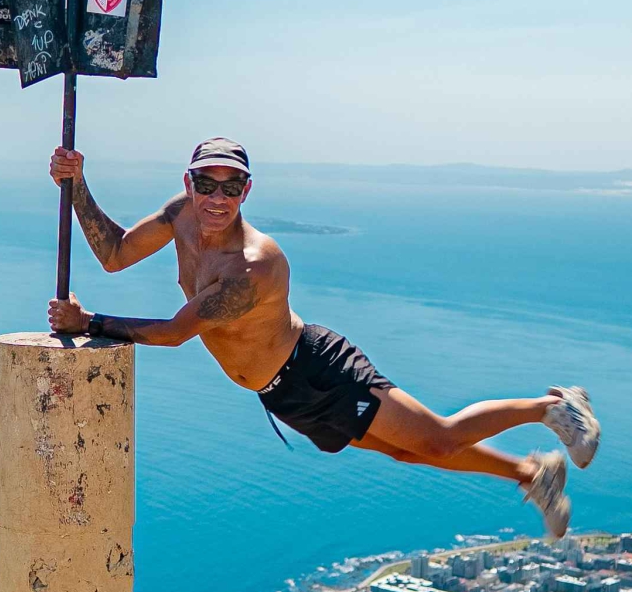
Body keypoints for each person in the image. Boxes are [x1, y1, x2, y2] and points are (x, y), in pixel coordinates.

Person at [45, 138, 598, 538]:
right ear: (188, 184)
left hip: (318, 368)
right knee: (411, 455)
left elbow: (173, 334)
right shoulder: (178, 216)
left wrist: (91, 323)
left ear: (247, 190)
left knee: (438, 438)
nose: (217, 198)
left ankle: (552, 407)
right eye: (207, 184)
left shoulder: (252, 266)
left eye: (230, 187)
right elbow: (116, 254)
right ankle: (532, 473)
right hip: (281, 394)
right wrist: (77, 186)